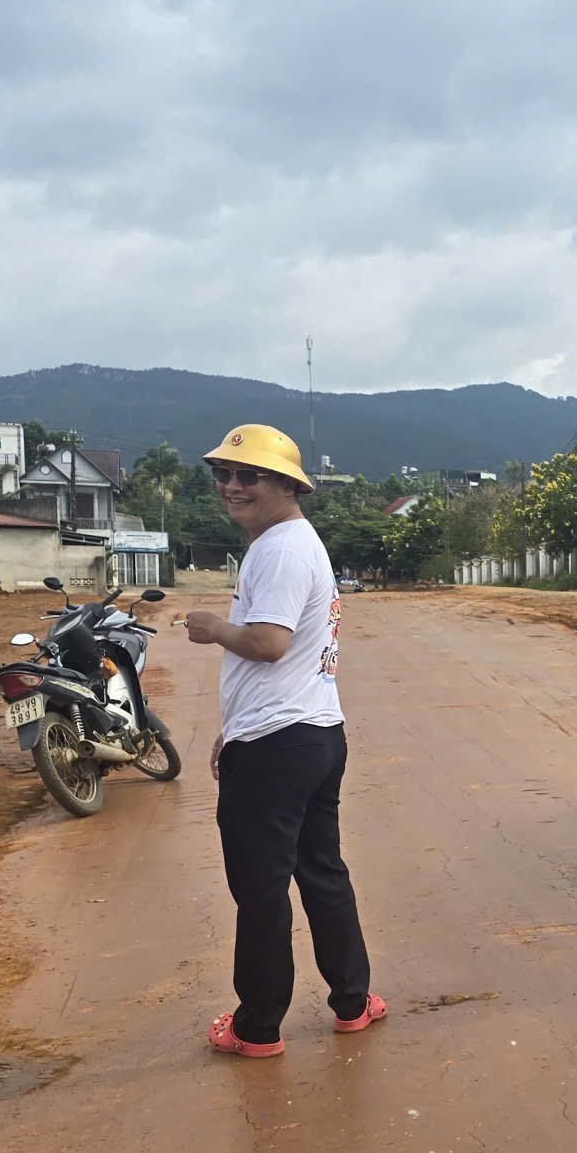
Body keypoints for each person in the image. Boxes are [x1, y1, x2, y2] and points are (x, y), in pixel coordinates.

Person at [183, 423, 385, 1057]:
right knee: (322, 871)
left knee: (261, 888)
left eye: (249, 476)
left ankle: (257, 1026)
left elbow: (268, 644)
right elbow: (290, 654)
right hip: (311, 733)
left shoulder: (279, 551)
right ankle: (353, 1002)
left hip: (278, 747)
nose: (232, 486)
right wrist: (234, 727)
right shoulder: (295, 544)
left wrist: (214, 626)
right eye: (226, 475)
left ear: (288, 485)